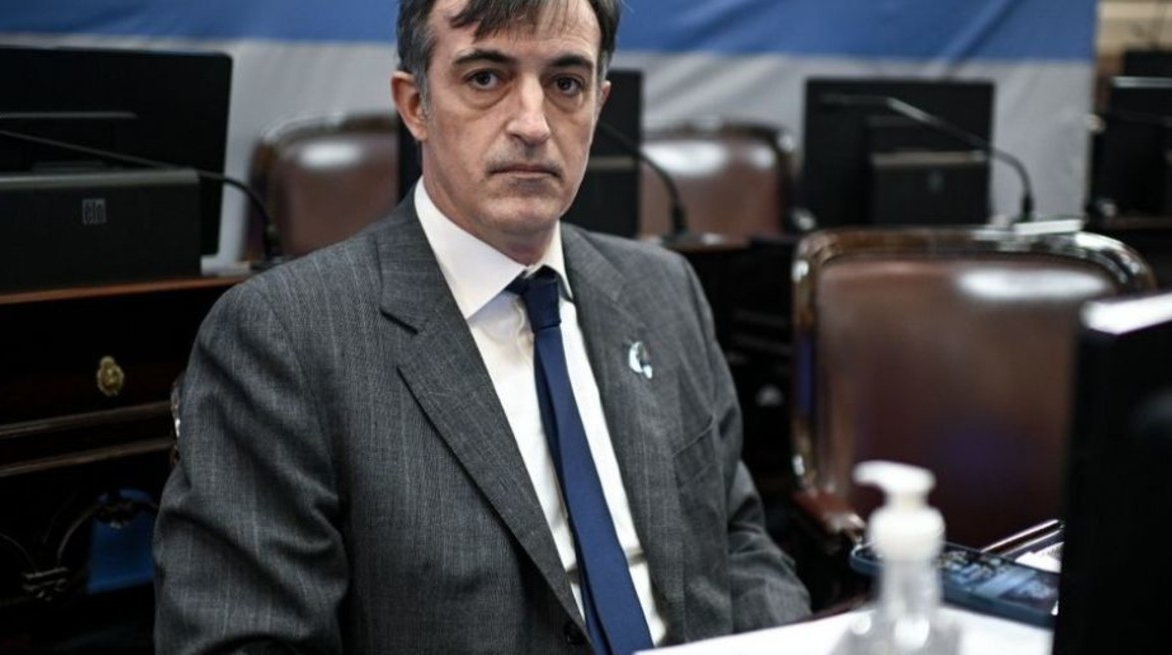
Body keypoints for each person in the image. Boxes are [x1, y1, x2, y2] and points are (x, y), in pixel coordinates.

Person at [153, 0, 811, 652]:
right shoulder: (283, 336)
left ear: (598, 104)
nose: (533, 124)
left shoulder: (665, 291)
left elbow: (738, 542)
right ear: (416, 105)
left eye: (565, 84)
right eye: (486, 78)